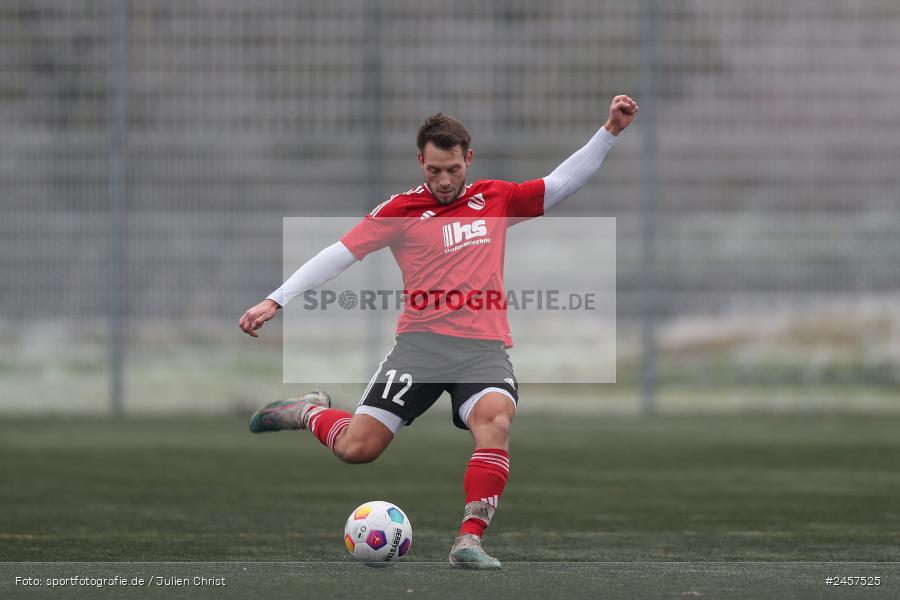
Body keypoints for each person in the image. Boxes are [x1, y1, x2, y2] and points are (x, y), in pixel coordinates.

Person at [239, 95, 638, 569]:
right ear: (420, 163)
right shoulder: (401, 210)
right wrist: (276, 299)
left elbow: (562, 183)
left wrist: (610, 131)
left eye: (452, 169)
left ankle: (469, 540)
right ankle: (307, 411)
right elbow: (339, 254)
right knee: (357, 449)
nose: (444, 181)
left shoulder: (495, 198)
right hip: (419, 350)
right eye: (434, 171)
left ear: (468, 159)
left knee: (496, 421)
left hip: (482, 352)